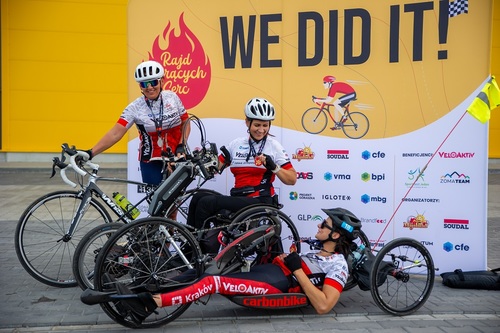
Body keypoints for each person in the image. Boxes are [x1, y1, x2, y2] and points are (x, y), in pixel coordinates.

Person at [104, 207, 362, 322]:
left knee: (212, 282)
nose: (319, 225)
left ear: (336, 235)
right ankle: (142, 293)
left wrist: (296, 268)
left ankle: (149, 303)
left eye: (324, 225)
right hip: (270, 273)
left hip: (276, 284)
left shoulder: (338, 265)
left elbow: (324, 305)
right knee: (205, 270)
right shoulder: (320, 252)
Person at [186, 97, 296, 250]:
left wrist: (274, 167)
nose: (261, 130)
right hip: (239, 198)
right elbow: (215, 168)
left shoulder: (273, 146)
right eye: (257, 125)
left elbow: (292, 179)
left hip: (260, 201)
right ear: (247, 122)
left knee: (207, 203)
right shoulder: (236, 144)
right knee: (198, 197)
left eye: (265, 125)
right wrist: (203, 161)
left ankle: (200, 251)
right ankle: (189, 244)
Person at [83, 60, 190, 185]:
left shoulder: (172, 97)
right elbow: (115, 133)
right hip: (150, 160)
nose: (149, 87)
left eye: (154, 82)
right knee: (157, 201)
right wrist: (91, 153)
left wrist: (182, 144)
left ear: (162, 81)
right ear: (140, 86)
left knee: (176, 198)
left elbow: (186, 122)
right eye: (144, 84)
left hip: (177, 155)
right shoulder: (134, 107)